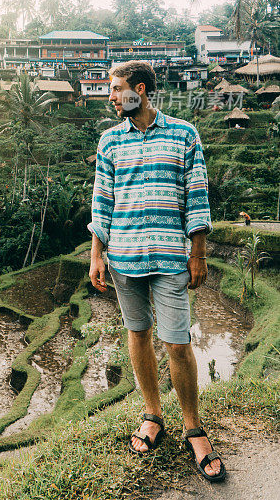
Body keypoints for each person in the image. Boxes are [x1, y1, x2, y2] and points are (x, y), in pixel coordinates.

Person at [89, 60, 226, 483]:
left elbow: (197, 195)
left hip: (170, 258)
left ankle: (194, 429)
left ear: (141, 90)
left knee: (178, 344)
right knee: (138, 335)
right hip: (124, 258)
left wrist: (198, 252)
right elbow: (102, 201)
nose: (111, 97)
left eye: (116, 89)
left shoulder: (185, 134)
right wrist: (97, 254)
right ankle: (152, 416)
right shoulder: (109, 142)